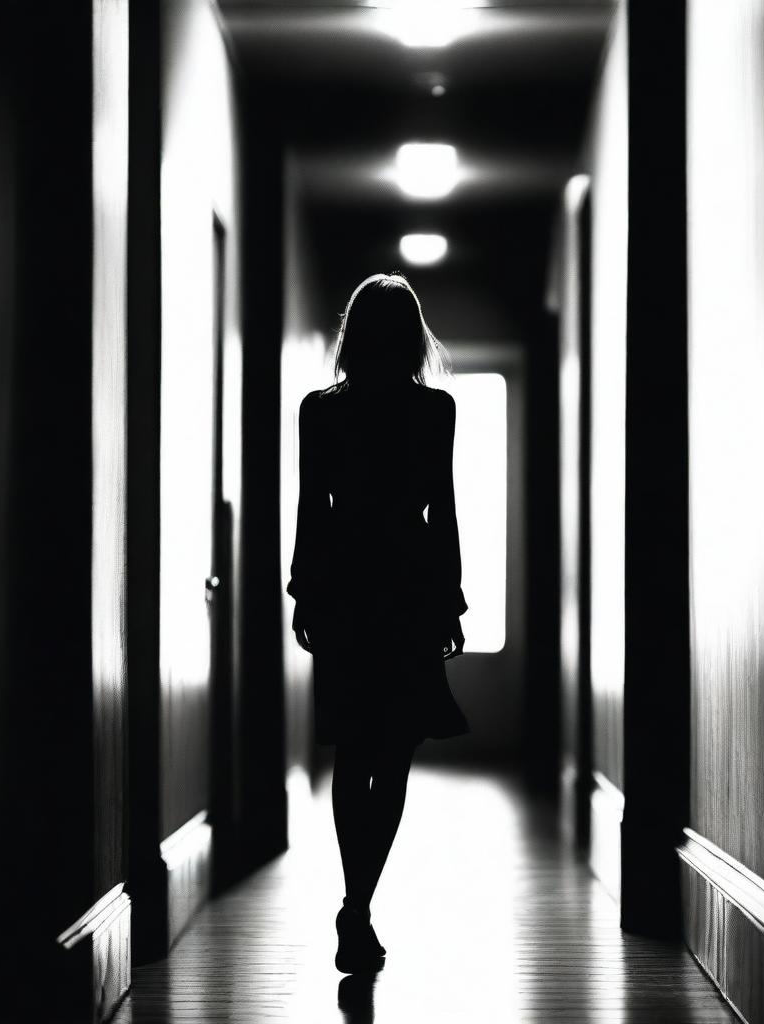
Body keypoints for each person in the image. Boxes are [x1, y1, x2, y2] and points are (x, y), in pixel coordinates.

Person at [287, 272, 470, 975]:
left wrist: (304, 591)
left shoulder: (321, 411)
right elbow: (441, 511)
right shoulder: (435, 411)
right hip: (409, 588)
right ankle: (358, 904)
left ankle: (355, 901)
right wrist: (450, 598)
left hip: (346, 589)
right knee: (392, 753)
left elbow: (314, 510)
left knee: (352, 750)